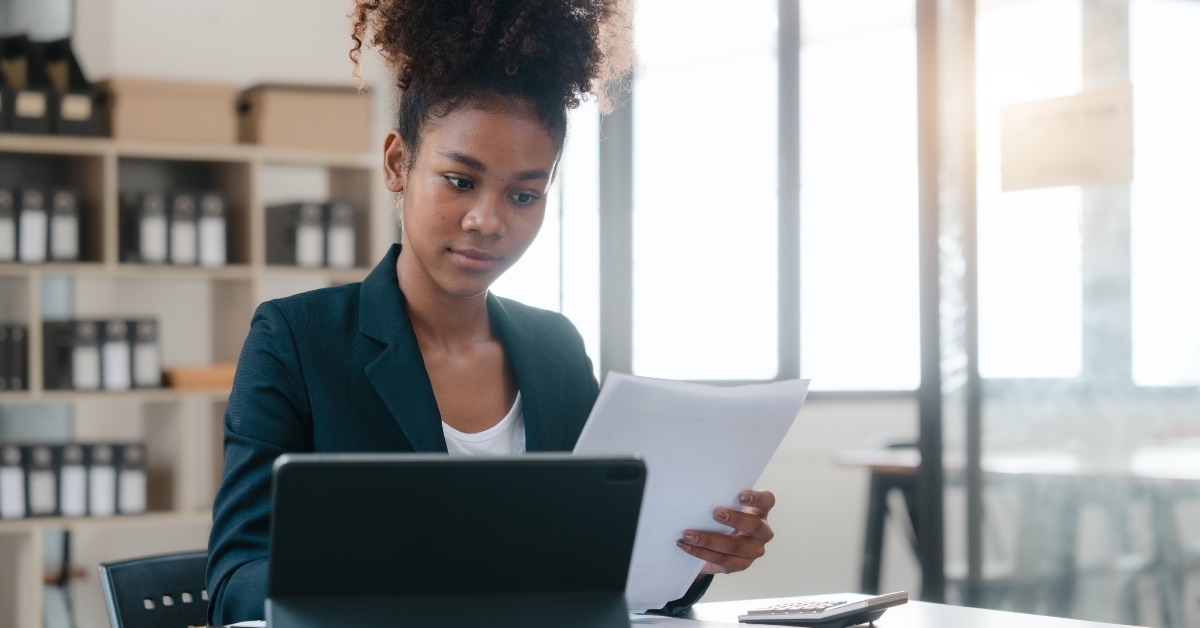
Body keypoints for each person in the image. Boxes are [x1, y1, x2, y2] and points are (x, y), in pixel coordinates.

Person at [205, 1, 777, 624]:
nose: (489, 221)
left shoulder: (555, 348)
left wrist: (695, 556)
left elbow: (605, 567)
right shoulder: (296, 340)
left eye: (524, 195)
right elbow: (237, 579)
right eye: (459, 181)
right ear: (398, 163)